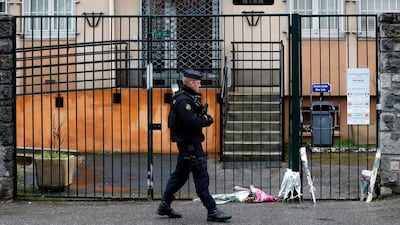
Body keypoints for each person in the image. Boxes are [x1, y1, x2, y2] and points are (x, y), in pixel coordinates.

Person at [157, 68, 232, 222]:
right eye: (198, 83)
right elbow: (192, 123)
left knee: (180, 176)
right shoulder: (184, 101)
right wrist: (205, 119)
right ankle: (212, 210)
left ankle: (164, 204)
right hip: (190, 144)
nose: (200, 85)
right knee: (201, 176)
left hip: (187, 144)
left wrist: (200, 111)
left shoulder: (186, 97)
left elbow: (190, 117)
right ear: (191, 83)